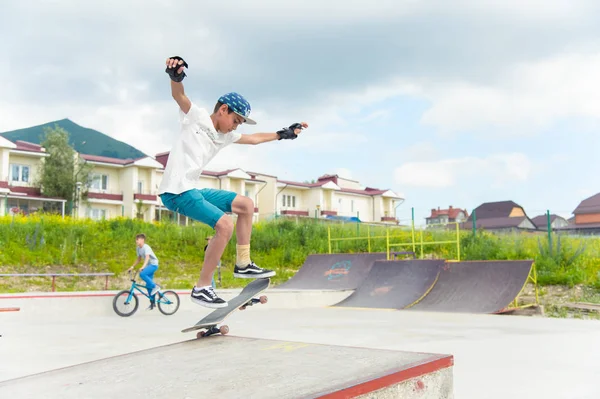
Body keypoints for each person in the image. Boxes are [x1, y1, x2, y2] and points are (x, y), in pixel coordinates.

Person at [158, 55, 309, 309]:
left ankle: (243, 263)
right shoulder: (196, 117)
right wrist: (175, 76)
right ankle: (202, 287)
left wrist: (283, 134)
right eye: (235, 121)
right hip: (175, 191)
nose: (235, 127)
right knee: (225, 225)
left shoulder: (225, 136)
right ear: (223, 109)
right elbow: (180, 97)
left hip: (192, 189)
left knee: (246, 204)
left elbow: (253, 139)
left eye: (239, 124)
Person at [128, 233, 161, 310]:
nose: (136, 241)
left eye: (137, 239)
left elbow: (147, 257)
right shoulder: (138, 249)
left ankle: (155, 286)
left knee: (142, 274)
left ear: (142, 240)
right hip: (148, 266)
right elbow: (139, 259)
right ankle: (152, 303)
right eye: (136, 239)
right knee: (148, 286)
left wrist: (143, 267)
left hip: (153, 264)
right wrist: (132, 267)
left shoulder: (146, 247)